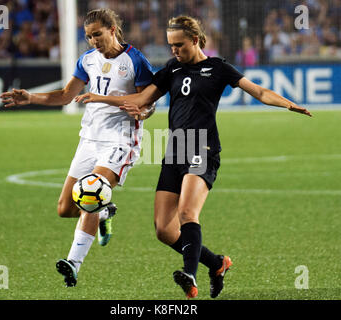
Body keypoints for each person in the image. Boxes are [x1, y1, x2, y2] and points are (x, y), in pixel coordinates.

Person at [75, 15, 312, 299]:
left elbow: (258, 90)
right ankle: (216, 263)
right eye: (170, 45)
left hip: (203, 148)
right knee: (164, 229)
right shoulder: (172, 69)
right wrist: (100, 97)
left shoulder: (218, 68)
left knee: (187, 212)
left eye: (179, 45)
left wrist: (288, 104)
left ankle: (189, 274)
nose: (174, 50)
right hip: (175, 149)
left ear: (197, 40)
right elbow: (141, 100)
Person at [0, 8, 154, 287]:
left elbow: (148, 101)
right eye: (88, 36)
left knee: (92, 193)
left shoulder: (135, 60)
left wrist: (138, 112)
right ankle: (105, 212)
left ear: (112, 30)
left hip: (120, 140)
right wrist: (30, 97)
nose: (94, 40)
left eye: (98, 34)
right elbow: (64, 95)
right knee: (65, 208)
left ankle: (73, 263)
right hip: (89, 139)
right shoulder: (87, 60)